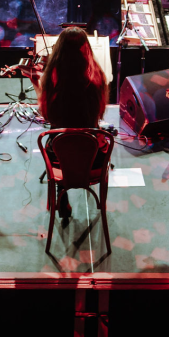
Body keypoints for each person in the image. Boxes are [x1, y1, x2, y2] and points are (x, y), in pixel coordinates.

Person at [36, 27, 110, 225]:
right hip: (94, 158)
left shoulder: (51, 80)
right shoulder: (97, 78)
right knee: (91, 138)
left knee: (60, 141)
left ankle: (62, 192)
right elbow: (99, 113)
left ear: (59, 50)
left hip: (59, 158)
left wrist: (38, 85)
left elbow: (47, 115)